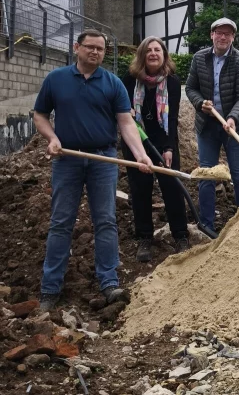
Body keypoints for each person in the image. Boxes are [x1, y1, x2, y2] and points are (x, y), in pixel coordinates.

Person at [33, 29, 153, 312]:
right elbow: (40, 115)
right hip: (67, 160)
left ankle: (109, 282)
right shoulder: (56, 79)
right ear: (77, 48)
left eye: (101, 49)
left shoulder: (112, 83)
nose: (96, 53)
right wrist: (52, 138)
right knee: (61, 222)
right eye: (90, 47)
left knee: (106, 221)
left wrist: (141, 155)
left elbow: (125, 123)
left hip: (104, 160)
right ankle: (50, 289)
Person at [121, 36, 189, 262]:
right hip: (136, 143)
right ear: (142, 55)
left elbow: (172, 119)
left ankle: (180, 235)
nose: (153, 53)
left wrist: (169, 147)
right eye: (148, 50)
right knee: (140, 191)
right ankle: (145, 238)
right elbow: (122, 116)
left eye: (157, 50)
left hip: (164, 144)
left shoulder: (172, 82)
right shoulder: (129, 81)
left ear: (164, 55)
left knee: (172, 189)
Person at [185, 18, 239, 232]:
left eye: (228, 34)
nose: (223, 37)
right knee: (207, 175)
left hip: (234, 128)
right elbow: (190, 88)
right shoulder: (199, 58)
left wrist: (233, 117)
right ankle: (206, 225)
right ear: (211, 34)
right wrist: (199, 103)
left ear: (233, 37)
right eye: (219, 33)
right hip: (207, 126)